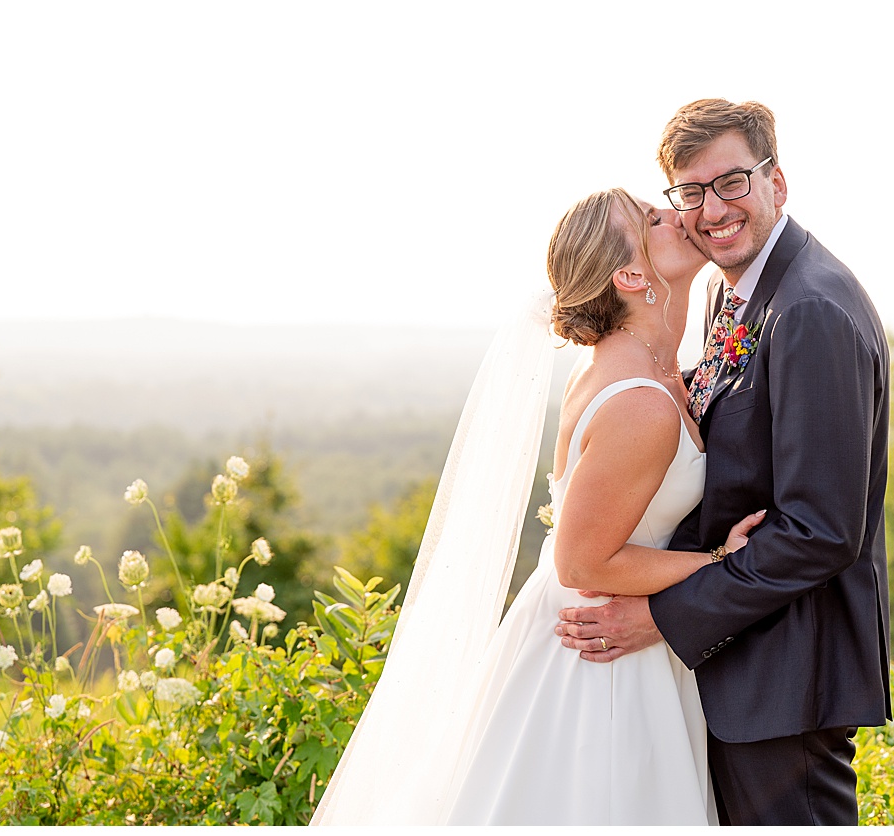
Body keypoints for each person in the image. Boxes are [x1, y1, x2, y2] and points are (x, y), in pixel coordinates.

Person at [311, 188, 762, 825]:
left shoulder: (653, 373)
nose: (680, 216)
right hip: (599, 658)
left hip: (619, 632)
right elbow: (583, 561)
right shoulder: (639, 401)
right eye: (653, 220)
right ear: (631, 276)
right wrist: (719, 563)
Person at [553, 99, 892, 826]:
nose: (710, 211)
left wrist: (667, 615)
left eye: (732, 182)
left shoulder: (810, 309)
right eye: (690, 194)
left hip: (785, 678)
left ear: (777, 182)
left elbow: (823, 531)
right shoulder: (723, 295)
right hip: (723, 669)